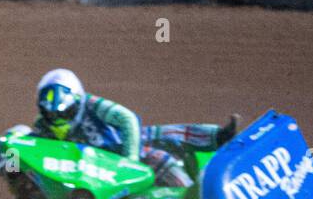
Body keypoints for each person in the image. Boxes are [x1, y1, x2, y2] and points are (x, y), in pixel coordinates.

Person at [32, 68, 238, 188]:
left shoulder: (93, 104)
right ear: (42, 111)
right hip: (86, 178)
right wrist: (9, 165)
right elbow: (23, 150)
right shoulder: (39, 129)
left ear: (78, 101)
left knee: (160, 143)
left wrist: (128, 163)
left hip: (122, 154)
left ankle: (217, 137)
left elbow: (128, 119)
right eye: (51, 115)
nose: (58, 120)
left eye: (64, 113)